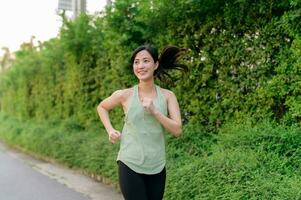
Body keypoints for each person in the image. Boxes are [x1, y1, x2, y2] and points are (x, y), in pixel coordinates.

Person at [96, 44, 187, 200]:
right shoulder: (124, 95)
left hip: (157, 165)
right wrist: (110, 130)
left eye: (145, 61)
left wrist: (155, 111)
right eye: (136, 62)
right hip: (129, 162)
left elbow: (177, 130)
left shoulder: (167, 96)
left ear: (156, 64)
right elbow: (102, 107)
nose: (140, 66)